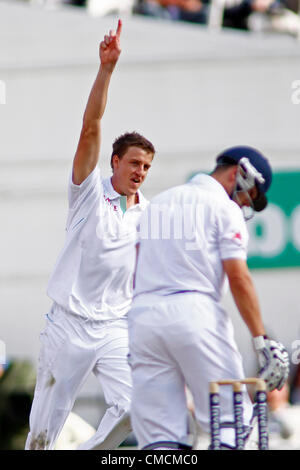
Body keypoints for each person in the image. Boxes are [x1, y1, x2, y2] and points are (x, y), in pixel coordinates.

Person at [25, 20, 155, 450]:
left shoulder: (149, 214)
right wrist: (106, 70)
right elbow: (90, 126)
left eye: (147, 167)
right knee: (43, 433)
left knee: (136, 406)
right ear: (114, 162)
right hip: (68, 324)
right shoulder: (87, 191)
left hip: (115, 326)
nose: (140, 172)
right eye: (134, 163)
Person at [128, 146, 289, 450]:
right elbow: (239, 277)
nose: (245, 202)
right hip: (194, 314)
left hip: (144, 318)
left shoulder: (157, 204)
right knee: (233, 423)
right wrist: (261, 341)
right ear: (238, 173)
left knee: (160, 436)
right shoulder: (222, 208)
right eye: (249, 193)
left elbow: (133, 269)